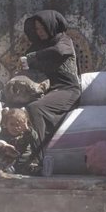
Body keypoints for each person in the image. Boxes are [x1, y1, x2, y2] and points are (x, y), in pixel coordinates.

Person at [22, 10, 81, 154]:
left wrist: (33, 56)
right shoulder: (37, 46)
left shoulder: (64, 41)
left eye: (43, 28)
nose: (40, 32)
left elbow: (58, 52)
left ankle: (37, 157)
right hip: (45, 91)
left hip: (67, 91)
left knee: (35, 108)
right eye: (37, 29)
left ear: (51, 26)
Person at [0, 107, 42, 176]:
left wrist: (27, 129)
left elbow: (35, 138)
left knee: (32, 168)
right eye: (12, 124)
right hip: (8, 162)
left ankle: (33, 169)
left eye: (18, 125)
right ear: (6, 124)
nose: (15, 128)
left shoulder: (25, 134)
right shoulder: (3, 135)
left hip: (24, 161)